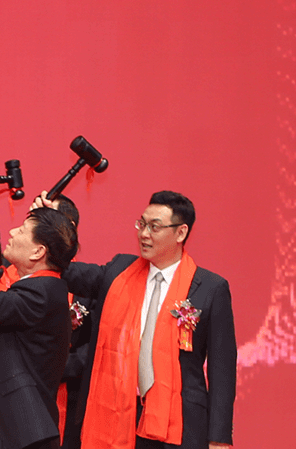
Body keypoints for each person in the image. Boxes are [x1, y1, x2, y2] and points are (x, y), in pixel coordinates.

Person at [61, 191, 235, 449]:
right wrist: (52, 223)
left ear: (181, 233)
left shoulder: (210, 288)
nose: (144, 234)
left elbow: (222, 369)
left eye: (154, 227)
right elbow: (66, 271)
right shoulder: (120, 271)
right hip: (119, 413)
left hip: (180, 423)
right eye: (141, 224)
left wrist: (219, 438)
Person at [0, 185, 97, 449]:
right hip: (6, 425)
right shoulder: (23, 279)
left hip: (24, 431)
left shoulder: (43, 290)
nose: (12, 232)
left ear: (39, 251)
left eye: (23, 229)